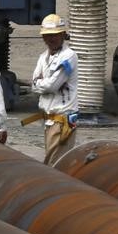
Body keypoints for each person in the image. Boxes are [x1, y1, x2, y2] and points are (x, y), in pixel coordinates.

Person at [22, 13, 79, 165]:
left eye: (54, 35)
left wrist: (39, 83)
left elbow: (52, 85)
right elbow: (36, 84)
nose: (50, 39)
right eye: (47, 35)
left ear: (62, 35)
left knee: (55, 164)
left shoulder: (69, 57)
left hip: (62, 122)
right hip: (49, 121)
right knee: (52, 162)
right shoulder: (43, 57)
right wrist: (40, 84)